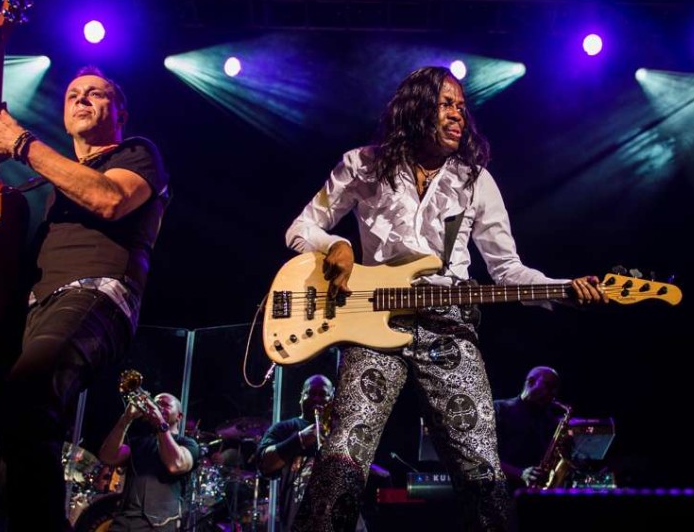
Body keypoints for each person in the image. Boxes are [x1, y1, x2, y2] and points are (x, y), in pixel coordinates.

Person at [284, 66, 608, 531]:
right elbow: (301, 228)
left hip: (449, 327)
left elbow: (506, 269)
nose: (459, 115)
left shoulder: (475, 181)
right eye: (447, 104)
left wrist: (563, 290)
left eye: (461, 106)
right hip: (375, 324)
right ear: (416, 110)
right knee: (341, 459)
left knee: (482, 470)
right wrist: (333, 245)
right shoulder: (362, 164)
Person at [0, 65, 170, 530]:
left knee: (28, 401)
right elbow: (33, 265)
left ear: (119, 111)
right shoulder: (55, 188)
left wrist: (22, 143)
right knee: (16, 439)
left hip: (97, 297)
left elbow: (109, 200)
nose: (81, 99)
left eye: (95, 94)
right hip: (38, 311)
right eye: (72, 95)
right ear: (64, 117)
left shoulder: (137, 153)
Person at [98, 391, 198, 531]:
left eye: (165, 404)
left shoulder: (188, 444)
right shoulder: (138, 443)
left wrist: (160, 423)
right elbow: (107, 457)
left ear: (179, 416)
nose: (157, 407)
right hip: (123, 522)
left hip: (159, 525)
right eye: (156, 403)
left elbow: (175, 465)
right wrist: (126, 418)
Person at [256, 374, 345, 532]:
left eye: (323, 394)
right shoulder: (284, 428)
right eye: (311, 393)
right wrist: (300, 439)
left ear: (332, 399)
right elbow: (264, 464)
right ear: (301, 397)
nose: (316, 399)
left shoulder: (342, 432)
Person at [493, 366, 566, 492]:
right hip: (502, 491)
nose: (553, 393)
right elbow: (482, 456)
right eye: (549, 386)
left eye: (555, 388)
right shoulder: (499, 409)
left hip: (536, 494)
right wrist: (520, 473)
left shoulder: (550, 419)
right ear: (531, 382)